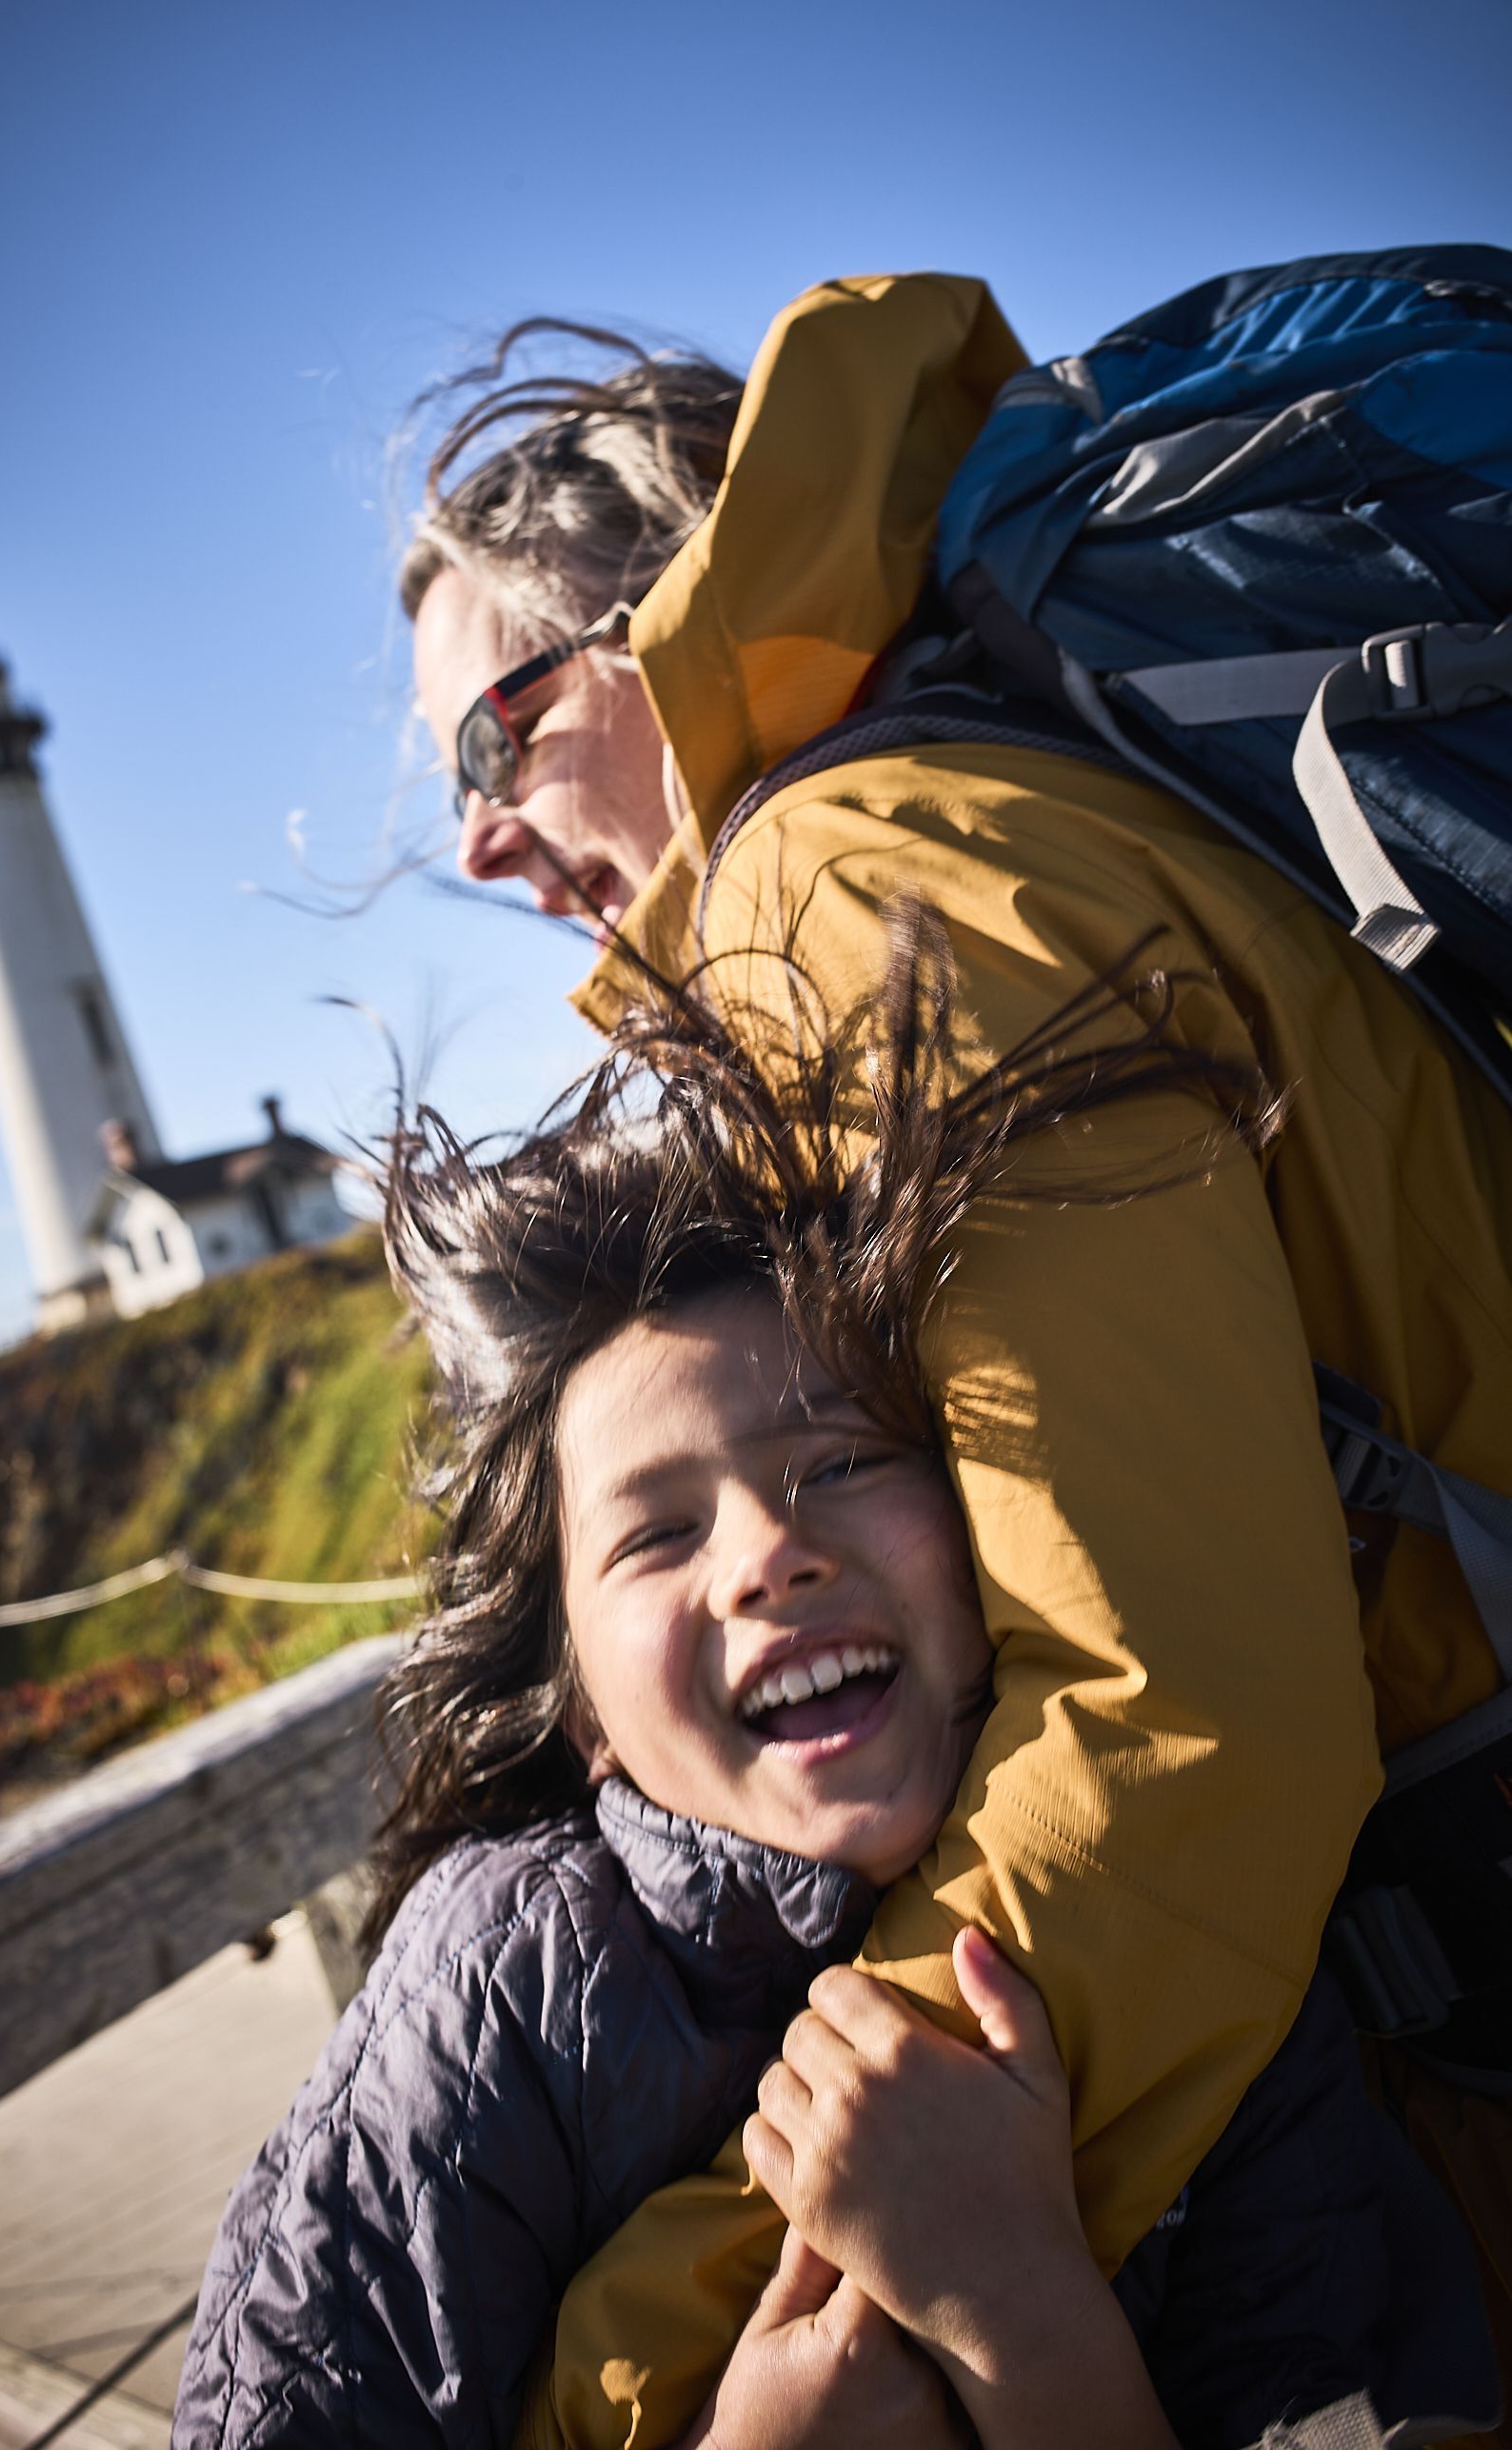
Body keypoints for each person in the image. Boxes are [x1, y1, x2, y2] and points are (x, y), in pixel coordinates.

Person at [401, 274, 1512, 2447]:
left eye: (488, 731)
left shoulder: (849, 873)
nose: (476, 838)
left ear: (652, 623)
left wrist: (644, 2365)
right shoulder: (991, 798)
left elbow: (1177, 1715)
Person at [175, 917, 1495, 2448]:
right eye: (655, 1531)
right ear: (583, 1710)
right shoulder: (499, 1993)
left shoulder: (1197, 1952)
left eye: (845, 1457)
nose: (763, 1555)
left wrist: (1020, 2314)